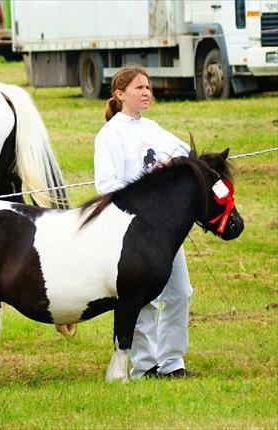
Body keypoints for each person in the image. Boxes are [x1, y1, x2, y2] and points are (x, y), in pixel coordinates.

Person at [93, 65, 192, 379]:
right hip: (132, 233)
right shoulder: (110, 136)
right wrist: (148, 182)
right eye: (139, 88)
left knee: (180, 292)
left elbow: (186, 152)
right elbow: (106, 185)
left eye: (148, 87)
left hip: (165, 231)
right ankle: (145, 365)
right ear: (120, 94)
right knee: (143, 300)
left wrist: (171, 163)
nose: (147, 92)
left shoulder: (153, 128)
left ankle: (173, 361)